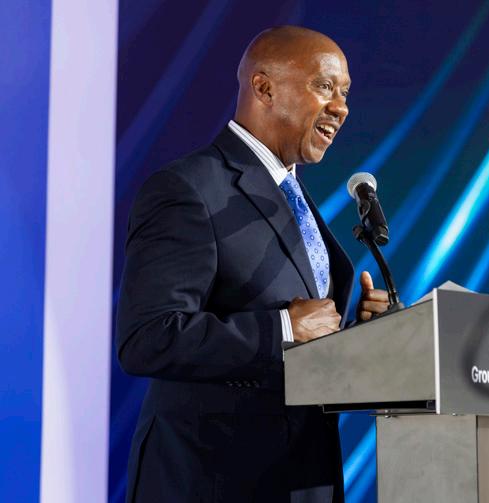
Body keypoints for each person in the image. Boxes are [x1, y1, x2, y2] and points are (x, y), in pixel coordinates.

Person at [116, 25, 389, 503]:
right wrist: (282, 328)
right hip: (211, 482)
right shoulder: (188, 189)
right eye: (324, 86)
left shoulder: (294, 197)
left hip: (303, 480)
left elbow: (304, 352)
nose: (341, 107)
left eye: (344, 92)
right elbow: (147, 337)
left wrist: (359, 338)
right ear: (264, 88)